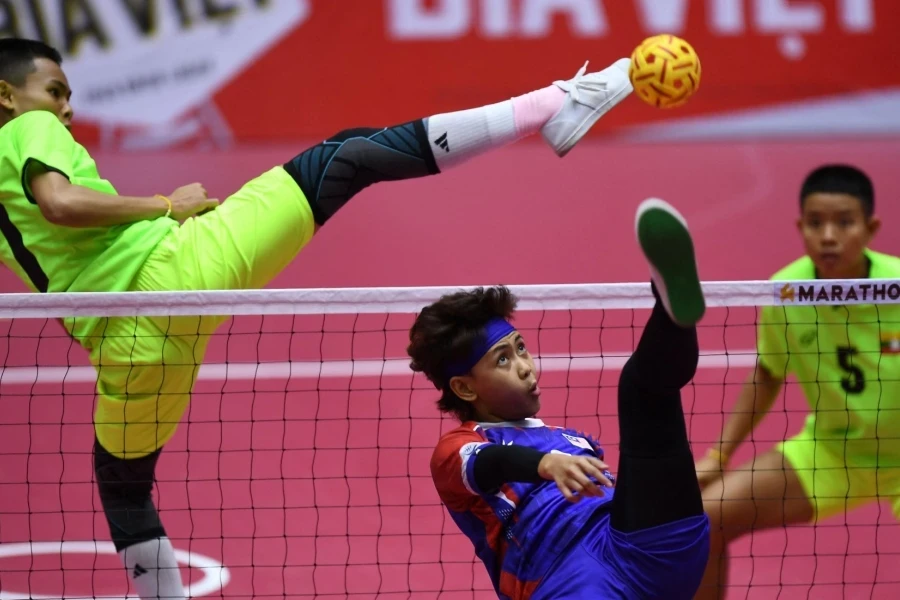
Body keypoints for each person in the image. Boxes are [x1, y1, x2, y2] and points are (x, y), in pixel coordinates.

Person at [0, 37, 636, 599]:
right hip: (171, 275)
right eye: (54, 90)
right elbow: (58, 202)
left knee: (123, 486)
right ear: (6, 94)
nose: (65, 108)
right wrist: (166, 204)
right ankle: (555, 103)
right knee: (346, 157)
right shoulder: (24, 129)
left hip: (126, 350)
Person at [408, 199, 711, 599]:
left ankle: (672, 310)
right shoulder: (459, 449)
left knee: (643, 389)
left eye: (521, 348)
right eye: (503, 359)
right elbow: (492, 465)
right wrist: (545, 464)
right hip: (567, 578)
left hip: (646, 546)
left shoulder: (574, 442)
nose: (525, 367)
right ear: (465, 388)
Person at [694, 165, 900, 599]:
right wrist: (719, 454)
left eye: (844, 222)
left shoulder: (897, 287)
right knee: (705, 519)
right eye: (815, 222)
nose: (828, 235)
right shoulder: (785, 291)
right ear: (800, 226)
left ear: (871, 227)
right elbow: (768, 373)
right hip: (832, 452)